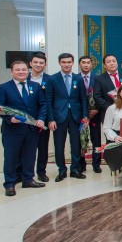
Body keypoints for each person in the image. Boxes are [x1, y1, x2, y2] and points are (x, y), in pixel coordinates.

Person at [0, 60, 47, 196]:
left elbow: (43, 104)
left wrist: (41, 119)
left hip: (32, 129)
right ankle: (10, 184)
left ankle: (28, 179)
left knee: (30, 156)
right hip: (12, 130)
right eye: (17, 70)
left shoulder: (35, 86)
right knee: (11, 158)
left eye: (23, 69)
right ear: (11, 72)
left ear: (27, 71)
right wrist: (9, 118)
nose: (21, 72)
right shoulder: (4, 88)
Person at [46, 53, 88, 182]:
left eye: (69, 62)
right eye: (64, 62)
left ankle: (75, 169)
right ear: (59, 63)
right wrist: (51, 119)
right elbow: (48, 101)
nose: (66, 64)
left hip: (76, 116)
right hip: (58, 117)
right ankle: (62, 170)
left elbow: (83, 99)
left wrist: (85, 116)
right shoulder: (53, 79)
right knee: (59, 145)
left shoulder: (78, 79)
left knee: (76, 145)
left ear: (73, 63)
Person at [27, 51, 51, 183]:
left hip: (44, 119)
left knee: (43, 147)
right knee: (26, 148)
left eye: (41, 63)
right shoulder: (24, 78)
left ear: (45, 65)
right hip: (26, 120)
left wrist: (48, 118)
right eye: (35, 62)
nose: (38, 64)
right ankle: (24, 174)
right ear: (30, 63)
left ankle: (41, 172)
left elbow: (50, 101)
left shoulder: (49, 79)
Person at [93, 54, 122, 119]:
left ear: (117, 63)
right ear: (104, 65)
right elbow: (97, 96)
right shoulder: (99, 79)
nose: (112, 63)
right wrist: (111, 107)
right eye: (108, 62)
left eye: (114, 61)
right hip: (108, 112)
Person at [79, 55, 102, 173]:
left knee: (96, 140)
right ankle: (81, 164)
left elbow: (101, 95)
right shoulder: (75, 78)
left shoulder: (97, 78)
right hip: (79, 115)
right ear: (79, 64)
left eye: (88, 62)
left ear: (92, 64)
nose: (86, 64)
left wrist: (97, 109)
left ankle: (96, 164)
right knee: (81, 140)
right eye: (83, 62)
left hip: (95, 114)